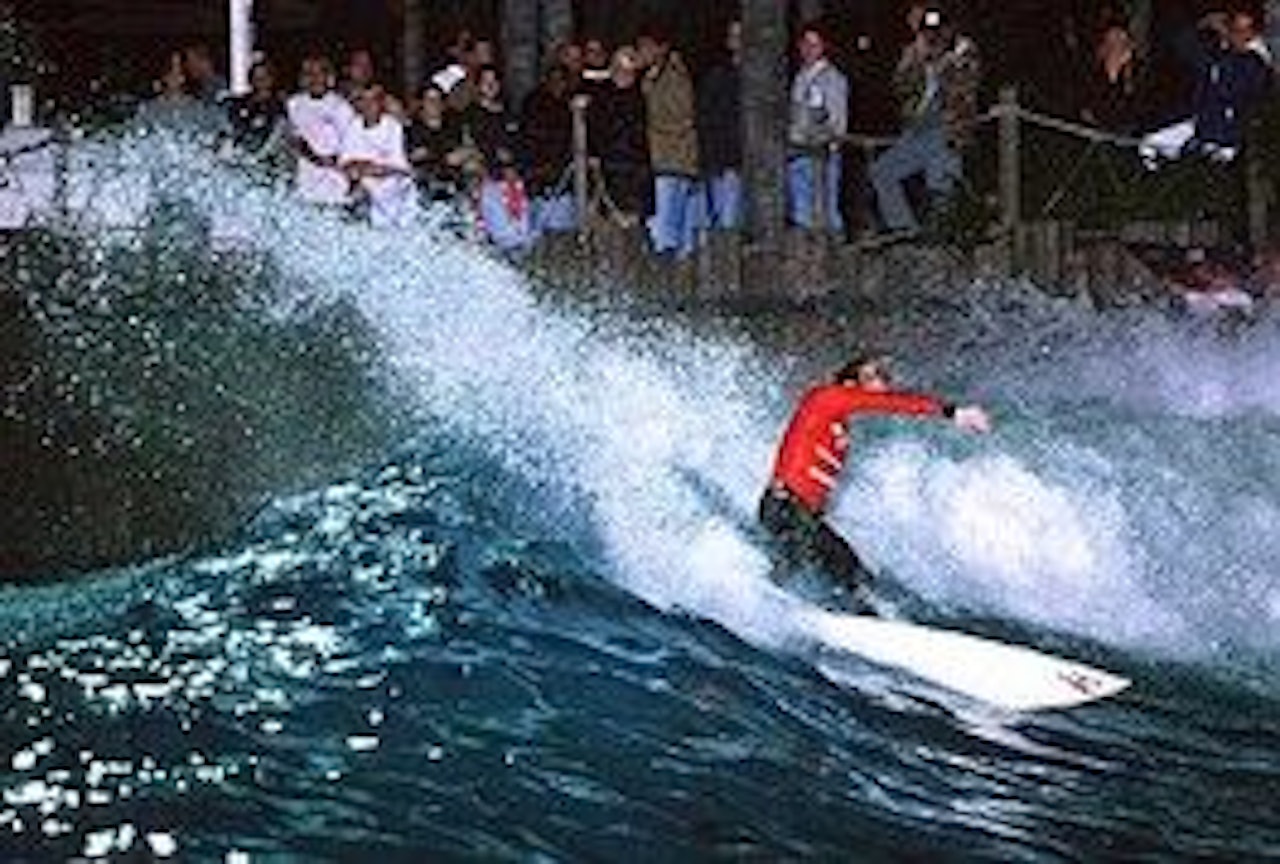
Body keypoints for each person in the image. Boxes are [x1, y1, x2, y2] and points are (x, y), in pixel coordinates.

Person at [759, 352, 991, 609]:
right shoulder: (826, 397)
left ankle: (812, 609)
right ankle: (768, 604)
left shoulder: (837, 423)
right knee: (831, 569)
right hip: (786, 508)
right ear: (850, 382)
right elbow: (890, 403)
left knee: (843, 571)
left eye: (884, 376)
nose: (882, 381)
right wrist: (952, 412)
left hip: (798, 513)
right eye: (873, 376)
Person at [868, 5, 981, 237]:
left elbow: (966, 83)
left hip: (947, 129)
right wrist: (915, 59)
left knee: (941, 190)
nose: (919, 26)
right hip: (916, 130)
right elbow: (899, 87)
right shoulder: (913, 51)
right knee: (881, 172)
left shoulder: (962, 47)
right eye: (916, 21)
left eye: (924, 19)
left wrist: (943, 60)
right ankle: (904, 228)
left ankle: (946, 240)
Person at [786, 23, 849, 232]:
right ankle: (807, 245)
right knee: (801, 206)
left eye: (814, 44)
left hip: (822, 154)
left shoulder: (833, 79)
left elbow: (838, 121)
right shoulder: (800, 77)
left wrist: (826, 141)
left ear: (824, 47)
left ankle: (834, 245)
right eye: (805, 44)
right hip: (797, 152)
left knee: (826, 206)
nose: (808, 49)